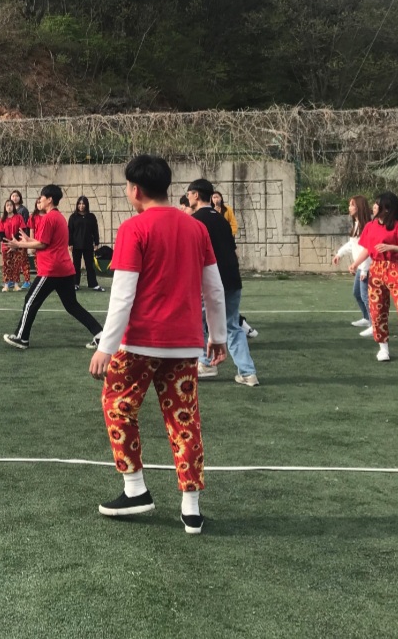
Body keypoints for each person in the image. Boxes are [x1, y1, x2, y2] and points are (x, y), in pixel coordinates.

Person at [89, 156, 226, 535]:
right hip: (185, 345)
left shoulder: (133, 228)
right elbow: (214, 288)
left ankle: (135, 488)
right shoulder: (196, 228)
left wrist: (106, 345)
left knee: (117, 406)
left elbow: (123, 293)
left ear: (135, 189)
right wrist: (217, 335)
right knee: (184, 421)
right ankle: (191, 509)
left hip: (139, 342)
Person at [3, 184, 103, 350]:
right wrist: (28, 240)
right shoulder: (58, 217)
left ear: (49, 199)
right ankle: (100, 334)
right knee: (72, 306)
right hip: (64, 270)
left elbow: (42, 244)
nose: (39, 200)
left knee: (30, 300)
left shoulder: (49, 218)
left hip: (51, 270)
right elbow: (45, 242)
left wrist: (19, 244)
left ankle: (22, 338)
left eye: (42, 197)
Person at [187, 179, 259, 387]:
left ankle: (206, 363)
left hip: (210, 281)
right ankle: (248, 373)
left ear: (196, 195)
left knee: (199, 322)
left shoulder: (194, 221)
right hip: (232, 279)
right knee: (232, 325)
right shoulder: (222, 220)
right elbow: (232, 251)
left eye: (189, 194)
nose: (188, 197)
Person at [348, 192, 398, 364]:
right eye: (375, 204)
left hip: (395, 268)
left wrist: (390, 247)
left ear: (387, 209)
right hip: (376, 269)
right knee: (377, 310)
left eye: (378, 204)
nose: (374, 207)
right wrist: (355, 264)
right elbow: (367, 249)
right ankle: (383, 349)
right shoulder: (370, 226)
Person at [332, 195, 373, 335]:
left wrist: (364, 270)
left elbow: (368, 249)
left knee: (366, 296)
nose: (349, 208)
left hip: (366, 267)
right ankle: (367, 318)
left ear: (359, 207)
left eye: (352, 205)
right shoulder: (356, 224)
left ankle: (375, 324)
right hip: (360, 266)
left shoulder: (367, 226)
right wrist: (339, 254)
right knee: (357, 293)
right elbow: (352, 244)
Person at [68, 196, 105, 292]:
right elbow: (70, 231)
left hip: (88, 244)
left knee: (89, 265)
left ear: (86, 205)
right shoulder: (73, 217)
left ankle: (93, 284)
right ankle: (75, 284)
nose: (81, 206)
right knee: (76, 265)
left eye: (83, 204)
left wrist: (96, 242)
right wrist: (70, 243)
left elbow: (95, 230)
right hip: (76, 245)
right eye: (79, 204)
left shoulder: (91, 217)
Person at [0, 199, 26, 292]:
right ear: (5, 208)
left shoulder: (19, 217)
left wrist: (15, 243)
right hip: (6, 245)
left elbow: (21, 231)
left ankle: (16, 285)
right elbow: (1, 234)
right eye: (7, 205)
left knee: (16, 265)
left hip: (17, 244)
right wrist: (9, 244)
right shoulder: (2, 219)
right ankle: (6, 285)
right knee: (6, 265)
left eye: (11, 205)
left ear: (13, 207)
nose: (9, 207)